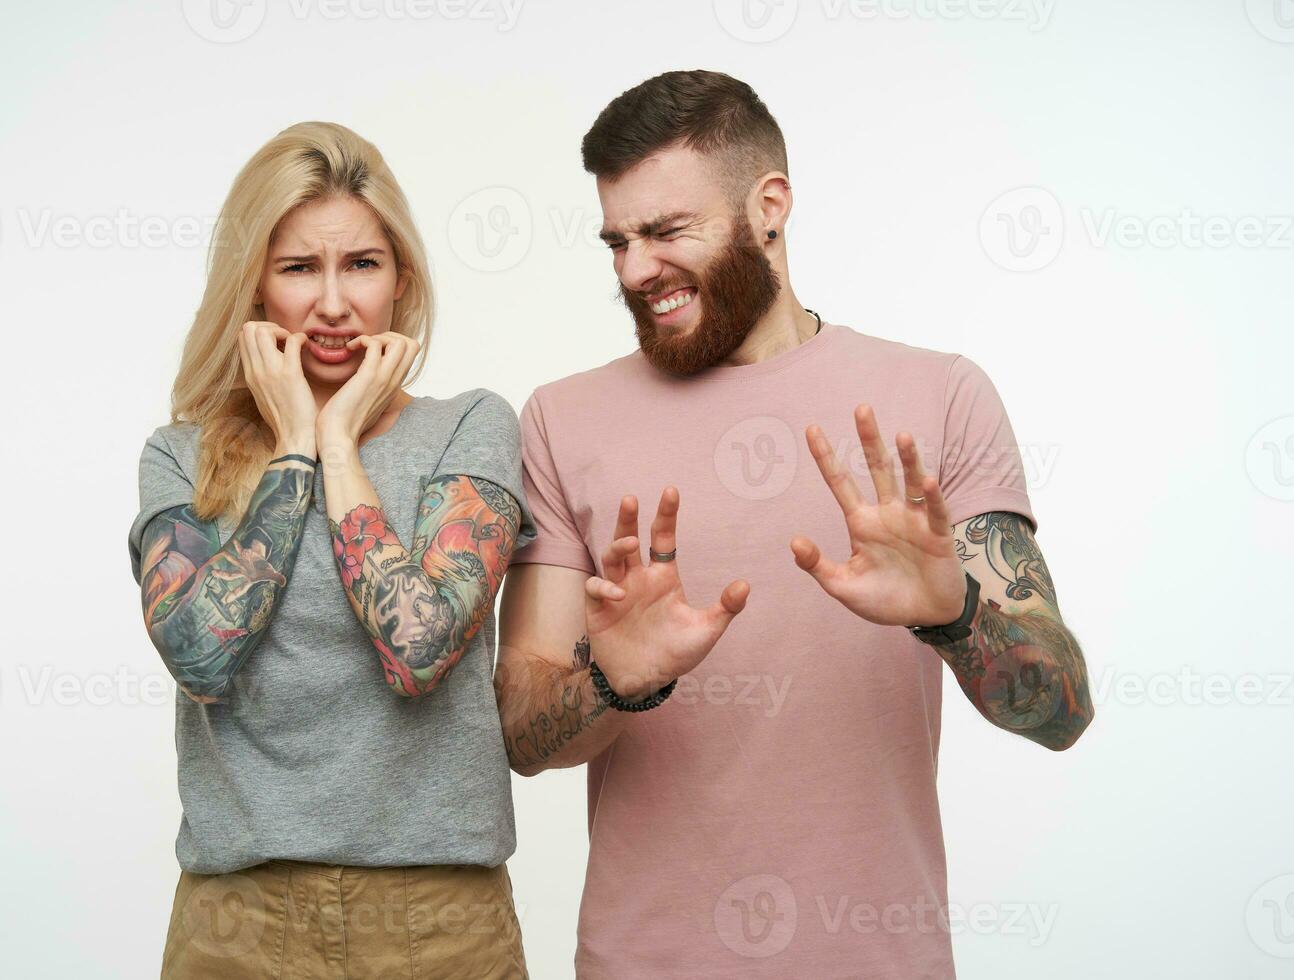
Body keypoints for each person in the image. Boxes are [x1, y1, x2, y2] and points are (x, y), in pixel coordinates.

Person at [493, 70, 1094, 978]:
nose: (632, 270)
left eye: (665, 232)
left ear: (768, 206)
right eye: (616, 240)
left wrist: (957, 614)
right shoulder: (559, 419)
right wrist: (615, 681)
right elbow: (520, 733)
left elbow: (1062, 712)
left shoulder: (938, 397)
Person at [128, 121, 533, 979]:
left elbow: (418, 650)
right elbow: (201, 656)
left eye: (361, 264)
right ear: (253, 287)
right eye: (299, 268)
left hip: (439, 919)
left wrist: (341, 444)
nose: (335, 304)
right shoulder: (179, 455)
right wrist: (294, 449)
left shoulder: (470, 424)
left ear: (400, 281)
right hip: (237, 922)